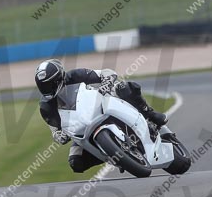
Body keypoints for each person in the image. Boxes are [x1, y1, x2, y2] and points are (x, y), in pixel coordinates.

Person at [35, 59, 167, 172]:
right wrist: (60, 136)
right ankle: (113, 154)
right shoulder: (46, 106)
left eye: (49, 84)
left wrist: (107, 81)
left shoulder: (75, 75)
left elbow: (106, 72)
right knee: (76, 163)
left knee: (124, 87)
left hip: (102, 104)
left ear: (59, 78)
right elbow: (54, 130)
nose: (47, 89)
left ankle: (149, 114)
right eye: (43, 86)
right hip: (81, 127)